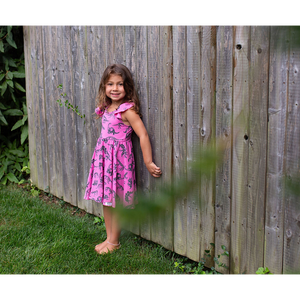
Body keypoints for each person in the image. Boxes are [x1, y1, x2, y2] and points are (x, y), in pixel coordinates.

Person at [84, 64, 162, 254]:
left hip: (119, 163)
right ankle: (109, 237)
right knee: (106, 200)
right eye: (110, 84)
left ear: (127, 87)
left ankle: (114, 242)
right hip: (104, 161)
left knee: (116, 201)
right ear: (104, 86)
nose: (115, 88)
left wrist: (148, 161)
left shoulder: (127, 111)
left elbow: (143, 135)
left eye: (120, 84)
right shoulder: (106, 108)